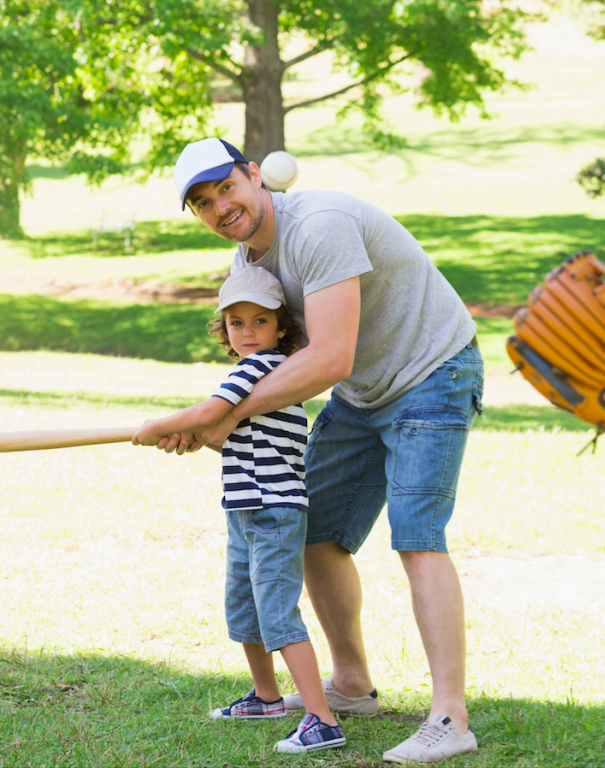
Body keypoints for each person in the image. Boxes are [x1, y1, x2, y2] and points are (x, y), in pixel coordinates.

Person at [164, 137, 483, 763]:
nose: (221, 207)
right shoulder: (246, 262)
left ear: (253, 175)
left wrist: (221, 413)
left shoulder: (320, 225)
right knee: (312, 531)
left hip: (433, 373)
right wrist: (213, 420)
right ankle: (352, 684)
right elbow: (270, 367)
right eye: (203, 202)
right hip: (362, 394)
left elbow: (330, 357)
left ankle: (450, 717)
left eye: (226, 187)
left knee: (417, 537)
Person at [132, 266, 346, 755]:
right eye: (236, 323)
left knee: (276, 610)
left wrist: (156, 426)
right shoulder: (259, 375)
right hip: (246, 508)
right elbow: (229, 437)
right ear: (224, 328)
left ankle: (322, 719)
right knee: (245, 603)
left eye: (260, 321)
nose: (247, 332)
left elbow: (210, 413)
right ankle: (267, 697)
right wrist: (192, 438)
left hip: (273, 511)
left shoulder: (262, 368)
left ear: (282, 328)